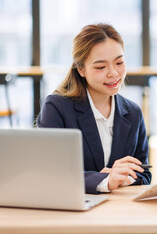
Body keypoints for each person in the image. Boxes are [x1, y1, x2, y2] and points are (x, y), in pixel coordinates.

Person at [37, 23, 151, 194]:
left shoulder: (133, 113)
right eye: (100, 67)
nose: (113, 73)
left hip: (120, 210)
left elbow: (145, 174)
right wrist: (104, 179)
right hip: (73, 209)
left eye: (119, 62)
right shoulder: (57, 108)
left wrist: (122, 177)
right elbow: (50, 173)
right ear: (81, 69)